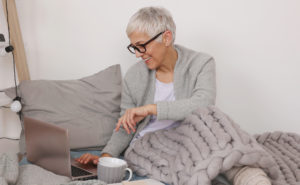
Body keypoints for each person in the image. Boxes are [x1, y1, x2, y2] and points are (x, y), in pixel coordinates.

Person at [76, 6, 216, 165]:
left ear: (166, 38)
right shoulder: (134, 75)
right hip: (150, 146)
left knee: (220, 129)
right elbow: (126, 125)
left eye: (141, 45)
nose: (137, 54)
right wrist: (106, 157)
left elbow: (204, 105)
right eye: (134, 47)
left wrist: (150, 108)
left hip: (190, 141)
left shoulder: (201, 63)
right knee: (206, 155)